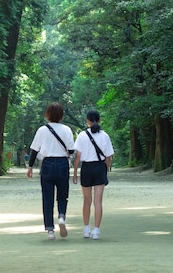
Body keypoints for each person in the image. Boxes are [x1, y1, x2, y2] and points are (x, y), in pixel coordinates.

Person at [26, 102, 75, 240]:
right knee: (62, 195)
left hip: (47, 164)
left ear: (47, 114)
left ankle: (50, 230)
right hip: (62, 163)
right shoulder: (67, 129)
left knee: (47, 197)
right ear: (61, 115)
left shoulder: (42, 130)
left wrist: (30, 167)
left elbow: (34, 150)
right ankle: (61, 216)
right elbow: (71, 150)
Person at [72, 109, 114, 240]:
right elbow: (108, 157)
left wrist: (75, 173)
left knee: (86, 201)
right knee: (98, 201)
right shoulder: (105, 135)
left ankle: (86, 229)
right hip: (100, 167)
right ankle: (96, 230)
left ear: (87, 121)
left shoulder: (82, 136)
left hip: (87, 168)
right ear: (99, 120)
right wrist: (106, 169)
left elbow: (77, 156)